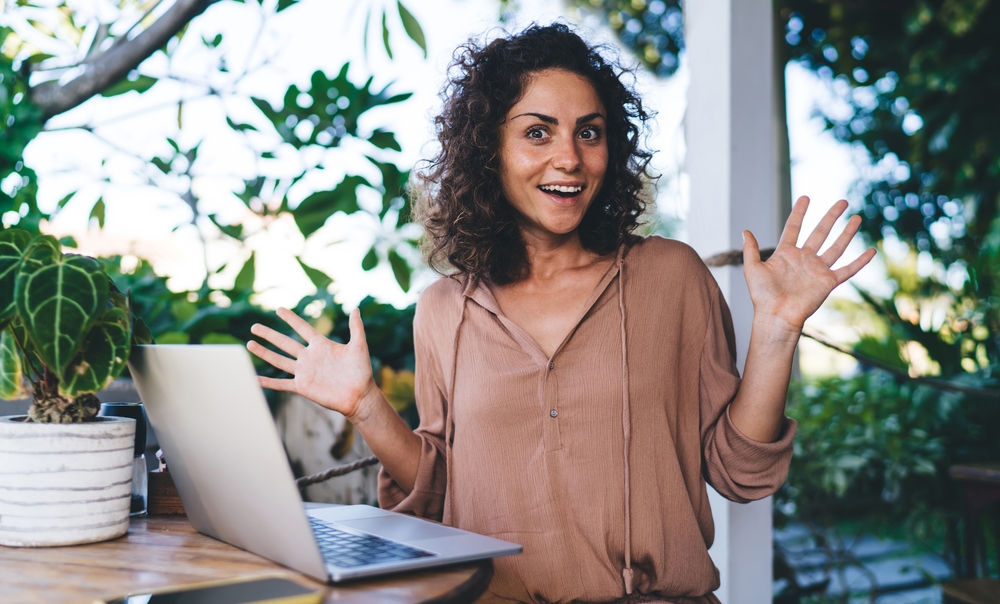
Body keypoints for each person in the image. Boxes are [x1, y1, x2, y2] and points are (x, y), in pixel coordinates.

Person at [248, 23, 875, 603]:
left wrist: (777, 329)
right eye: (538, 132)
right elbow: (442, 494)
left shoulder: (670, 277)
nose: (570, 158)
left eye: (590, 132)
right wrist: (366, 407)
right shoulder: (444, 311)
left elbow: (740, 473)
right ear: (488, 150)